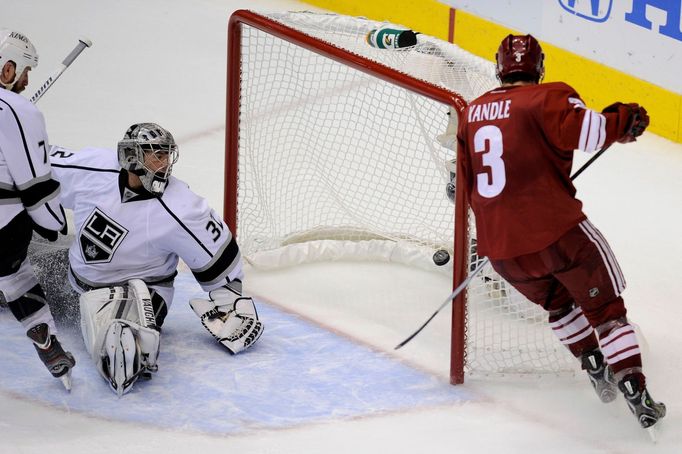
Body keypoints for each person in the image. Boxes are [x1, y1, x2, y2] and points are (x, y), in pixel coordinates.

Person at [456, 34, 665, 430]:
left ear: (500, 67)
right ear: (540, 67)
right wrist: (625, 119)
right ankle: (636, 391)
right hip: (558, 234)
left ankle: (593, 364)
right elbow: (588, 133)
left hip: (502, 251)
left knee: (559, 306)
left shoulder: (471, 113)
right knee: (606, 312)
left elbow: (464, 190)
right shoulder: (548, 97)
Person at [48, 123, 264, 397]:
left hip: (142, 291)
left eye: (166, 155)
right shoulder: (93, 168)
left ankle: (133, 332)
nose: (163, 164)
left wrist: (230, 302)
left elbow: (220, 253)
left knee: (123, 350)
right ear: (129, 157)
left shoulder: (182, 206)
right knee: (13, 275)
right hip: (73, 279)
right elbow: (37, 164)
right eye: (155, 155)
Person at [0, 29, 75, 390]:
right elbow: (35, 185)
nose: (27, 81)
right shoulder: (18, 109)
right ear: (7, 68)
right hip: (2, 229)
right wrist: (54, 224)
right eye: (25, 71)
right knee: (15, 275)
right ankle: (46, 340)